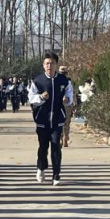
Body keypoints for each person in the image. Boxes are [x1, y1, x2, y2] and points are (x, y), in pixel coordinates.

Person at [28, 51, 73, 186]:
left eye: (52, 63)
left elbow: (70, 95)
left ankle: (56, 174)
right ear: (43, 65)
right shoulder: (38, 81)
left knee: (56, 147)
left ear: (56, 65)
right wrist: (41, 97)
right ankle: (41, 167)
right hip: (42, 120)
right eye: (47, 63)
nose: (49, 66)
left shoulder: (64, 80)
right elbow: (31, 98)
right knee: (43, 147)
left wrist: (67, 100)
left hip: (57, 119)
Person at [58, 66, 75, 147]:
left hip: (66, 104)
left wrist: (68, 99)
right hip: (58, 104)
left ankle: (65, 138)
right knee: (59, 122)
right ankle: (61, 138)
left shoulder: (68, 82)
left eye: (64, 73)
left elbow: (71, 93)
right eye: (61, 73)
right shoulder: (55, 81)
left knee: (66, 121)